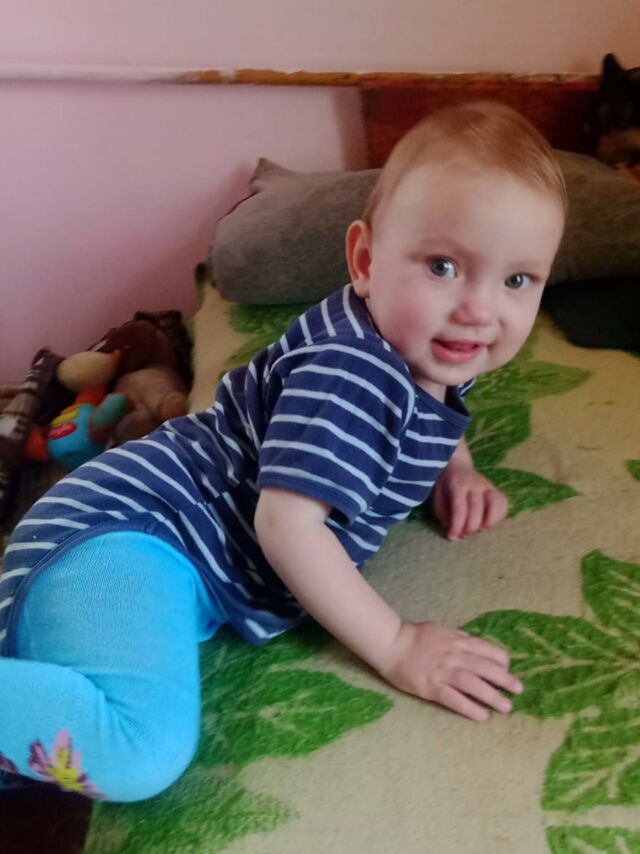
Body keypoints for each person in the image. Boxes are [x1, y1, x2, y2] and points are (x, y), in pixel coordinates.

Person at [0, 101, 567, 802]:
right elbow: (287, 527)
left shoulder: (433, 342)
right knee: (137, 751)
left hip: (143, 542)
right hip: (126, 540)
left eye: (517, 280)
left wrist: (456, 467)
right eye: (444, 265)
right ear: (366, 260)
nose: (480, 309)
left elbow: (436, 404)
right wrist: (396, 645)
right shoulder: (348, 376)